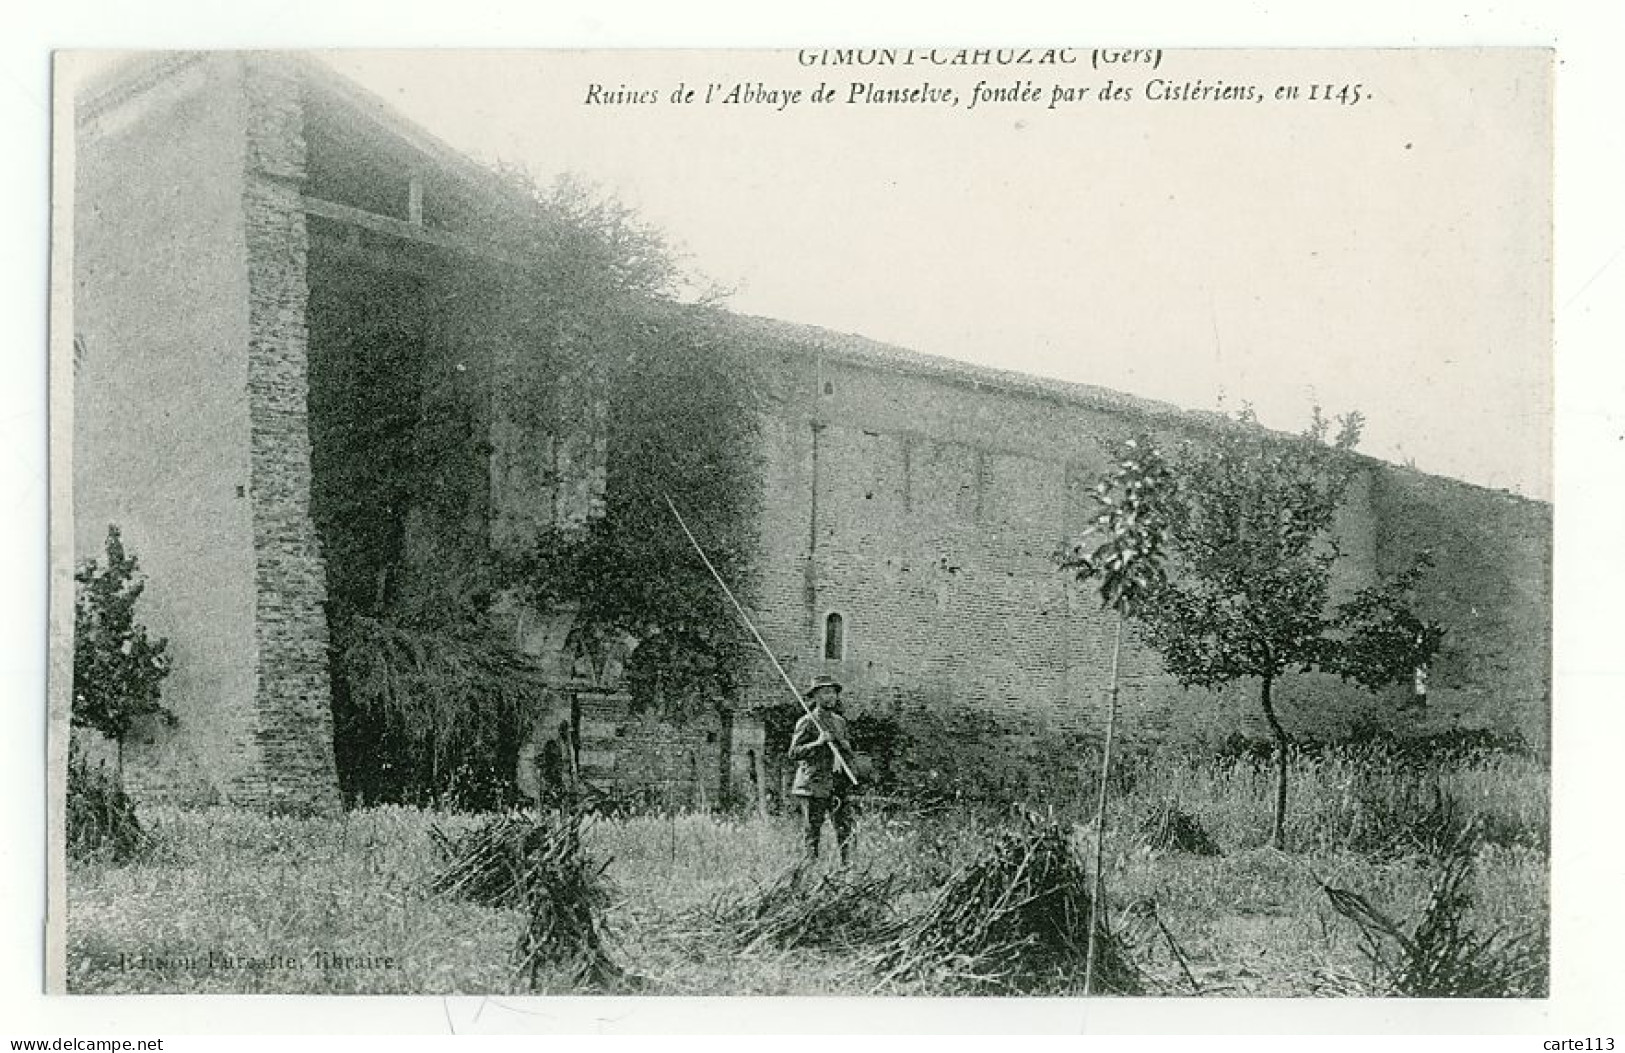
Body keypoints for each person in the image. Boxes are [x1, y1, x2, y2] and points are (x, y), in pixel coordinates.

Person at [787, 674, 856, 863]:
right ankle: (810, 869)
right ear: (816, 696)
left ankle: (846, 869)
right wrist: (817, 743)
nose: (831, 697)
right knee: (812, 832)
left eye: (833, 693)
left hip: (837, 784)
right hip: (813, 785)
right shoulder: (807, 722)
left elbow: (848, 754)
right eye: (826, 693)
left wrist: (844, 745)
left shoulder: (840, 722)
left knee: (844, 830)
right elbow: (793, 753)